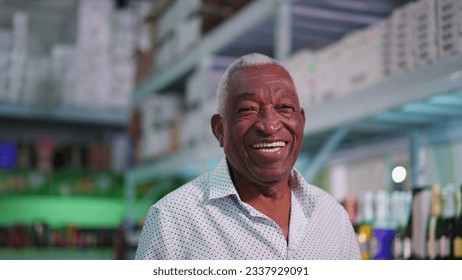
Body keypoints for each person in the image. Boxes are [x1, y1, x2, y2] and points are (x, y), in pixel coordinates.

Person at [135, 53, 361, 260]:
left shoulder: (332, 217)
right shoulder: (172, 221)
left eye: (284, 107)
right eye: (248, 109)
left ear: (301, 121)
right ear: (220, 129)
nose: (270, 125)